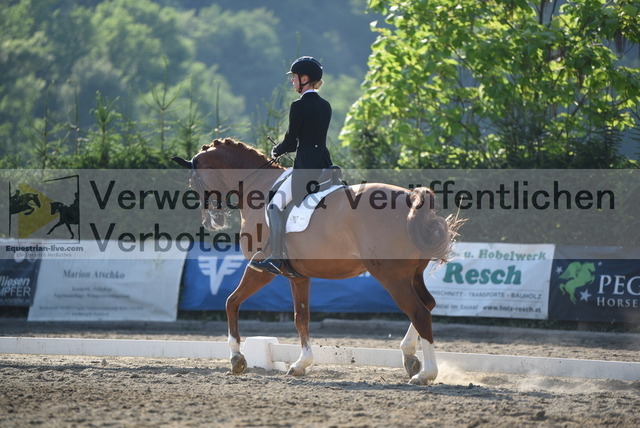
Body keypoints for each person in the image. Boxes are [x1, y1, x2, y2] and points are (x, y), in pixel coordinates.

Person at [250, 56, 333, 275]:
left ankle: (277, 258)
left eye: (294, 77)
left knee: (274, 205)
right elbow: (311, 139)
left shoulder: (298, 105)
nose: (292, 81)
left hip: (306, 168)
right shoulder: (325, 105)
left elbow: (291, 140)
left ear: (305, 79)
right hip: (325, 164)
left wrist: (276, 150)